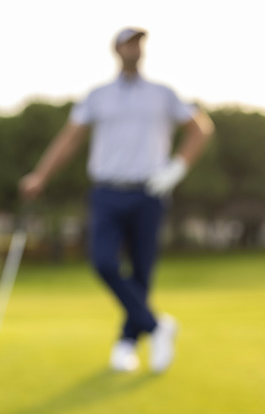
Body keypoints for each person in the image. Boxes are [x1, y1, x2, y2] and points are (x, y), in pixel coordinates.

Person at [18, 27, 214, 373]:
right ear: (117, 50)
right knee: (104, 263)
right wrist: (40, 175)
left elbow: (200, 128)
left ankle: (126, 344)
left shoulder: (163, 93)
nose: (134, 48)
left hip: (149, 191)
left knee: (141, 272)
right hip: (107, 191)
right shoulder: (98, 95)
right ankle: (156, 327)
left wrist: (175, 170)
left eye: (139, 42)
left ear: (143, 49)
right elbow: (70, 139)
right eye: (128, 43)